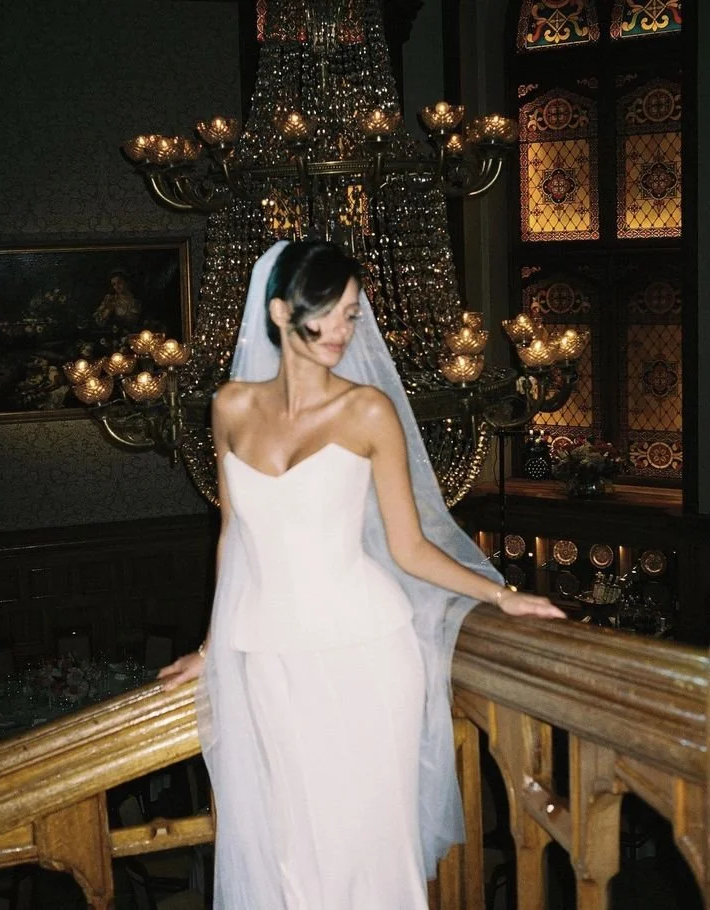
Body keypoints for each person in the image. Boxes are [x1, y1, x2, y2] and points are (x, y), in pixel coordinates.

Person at [159, 240, 564, 910]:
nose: (346, 331)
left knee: (370, 850)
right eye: (332, 314)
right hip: (268, 656)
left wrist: (504, 594)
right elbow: (234, 537)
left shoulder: (368, 410)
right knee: (293, 848)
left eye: (353, 314)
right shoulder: (230, 406)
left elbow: (409, 547)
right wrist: (211, 649)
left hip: (368, 654)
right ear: (282, 311)